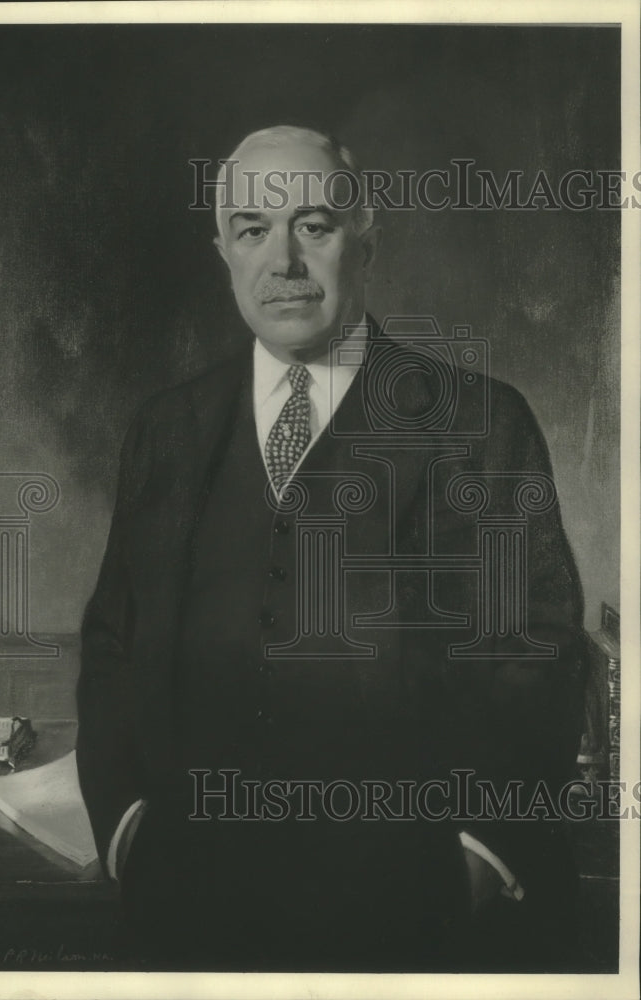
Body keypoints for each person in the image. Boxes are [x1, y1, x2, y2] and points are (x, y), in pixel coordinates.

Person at [76, 125, 587, 972]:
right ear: (223, 253)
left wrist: (477, 860)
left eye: (313, 226)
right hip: (193, 915)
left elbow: (533, 657)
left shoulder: (481, 423)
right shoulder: (167, 430)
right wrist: (127, 831)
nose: (283, 261)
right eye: (253, 231)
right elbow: (112, 647)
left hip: (418, 919)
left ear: (367, 240)